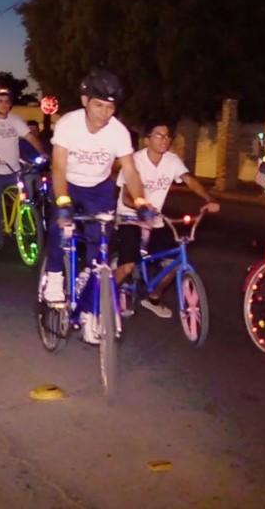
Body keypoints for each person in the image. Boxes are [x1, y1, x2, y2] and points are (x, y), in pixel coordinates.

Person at [42, 69, 153, 343]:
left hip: (100, 189)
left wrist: (140, 203)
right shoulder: (68, 124)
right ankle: (54, 275)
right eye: (99, 105)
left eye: (111, 107)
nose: (105, 113)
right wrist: (64, 202)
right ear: (85, 101)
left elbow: (131, 171)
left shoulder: (118, 132)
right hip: (69, 184)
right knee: (62, 226)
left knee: (99, 247)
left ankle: (92, 313)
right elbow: (58, 166)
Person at [114, 120, 219, 318]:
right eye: (159, 136)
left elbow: (189, 180)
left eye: (167, 136)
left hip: (156, 220)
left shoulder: (171, 160)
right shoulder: (135, 161)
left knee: (174, 261)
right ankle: (105, 298)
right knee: (127, 267)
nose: (165, 140)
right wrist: (141, 206)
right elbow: (127, 195)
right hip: (131, 218)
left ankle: (153, 297)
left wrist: (209, 199)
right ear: (147, 140)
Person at [0, 87, 47, 257]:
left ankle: (22, 226)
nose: (4, 104)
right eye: (0, 101)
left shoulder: (16, 120)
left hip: (14, 170)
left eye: (7, 101)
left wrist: (42, 152)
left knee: (24, 198)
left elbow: (30, 137)